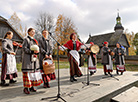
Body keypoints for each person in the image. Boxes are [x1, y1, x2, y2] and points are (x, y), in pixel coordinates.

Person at [22, 28, 43, 94]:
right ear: (28, 32)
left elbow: (37, 48)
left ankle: (31, 87)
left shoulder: (35, 40)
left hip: (34, 59)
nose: (33, 33)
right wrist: (32, 51)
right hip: (28, 59)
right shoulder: (26, 39)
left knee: (33, 74)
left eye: (34, 31)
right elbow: (24, 48)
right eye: (32, 31)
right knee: (28, 73)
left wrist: (37, 52)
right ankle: (26, 88)